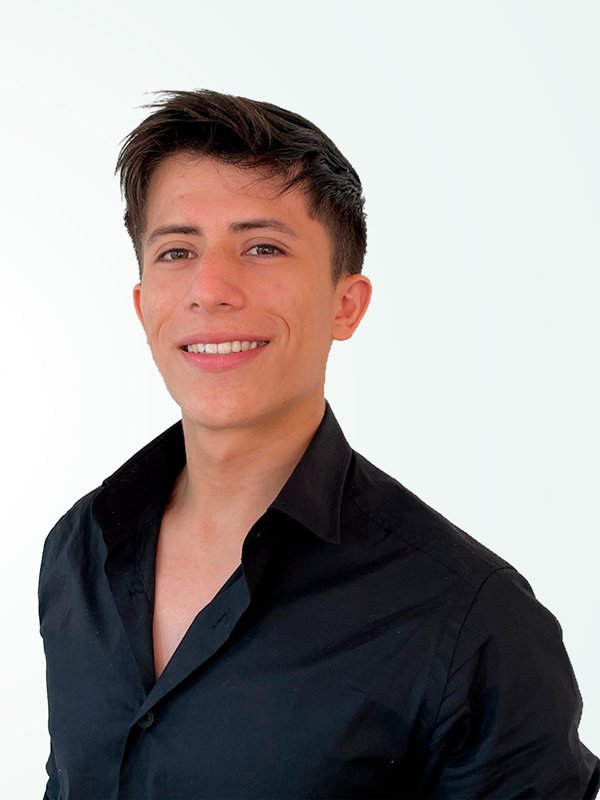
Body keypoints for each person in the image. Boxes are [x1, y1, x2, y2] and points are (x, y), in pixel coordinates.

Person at [39, 89, 599, 800]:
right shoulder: (78, 550)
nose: (210, 288)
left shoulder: (472, 621)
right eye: (177, 251)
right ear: (143, 303)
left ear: (346, 304)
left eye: (262, 247)